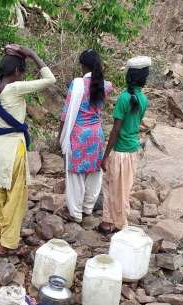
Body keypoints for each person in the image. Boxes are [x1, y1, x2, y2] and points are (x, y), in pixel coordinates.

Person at [0, 45, 56, 257]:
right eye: (22, 71)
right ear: (17, 72)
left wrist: (11, 55)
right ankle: (8, 243)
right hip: (13, 150)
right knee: (15, 199)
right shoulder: (15, 89)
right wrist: (32, 53)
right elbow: (50, 79)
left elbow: (1, 73)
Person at [59, 49, 113, 223]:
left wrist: (60, 135)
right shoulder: (106, 85)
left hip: (78, 133)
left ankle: (75, 213)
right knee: (94, 171)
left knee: (75, 174)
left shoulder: (78, 84)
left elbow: (66, 114)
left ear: (83, 66)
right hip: (96, 133)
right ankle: (88, 207)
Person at [99, 56, 151, 234]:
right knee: (123, 188)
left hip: (119, 150)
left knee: (111, 186)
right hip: (132, 150)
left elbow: (115, 130)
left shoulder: (123, 98)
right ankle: (117, 221)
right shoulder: (143, 99)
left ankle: (112, 223)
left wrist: (105, 155)